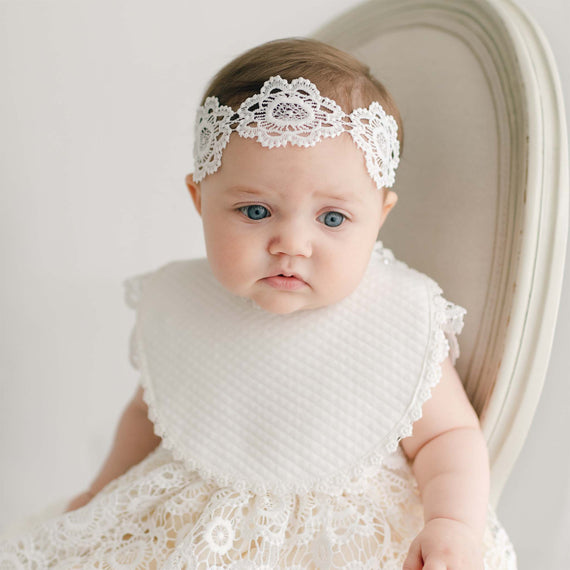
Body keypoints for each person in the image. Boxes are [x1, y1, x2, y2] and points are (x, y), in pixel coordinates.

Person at [0, 37, 517, 569]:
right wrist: (100, 491)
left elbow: (448, 437)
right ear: (200, 199)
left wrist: (453, 524)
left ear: (379, 216)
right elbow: (146, 412)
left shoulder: (397, 315)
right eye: (254, 211)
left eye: (332, 219)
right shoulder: (184, 303)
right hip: (192, 537)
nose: (291, 243)